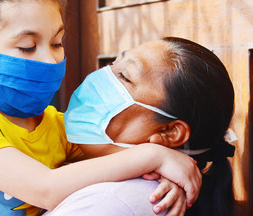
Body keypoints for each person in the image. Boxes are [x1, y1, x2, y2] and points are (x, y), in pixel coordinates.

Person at [0, 0, 201, 215]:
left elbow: (118, 159)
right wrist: (155, 156)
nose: (51, 60)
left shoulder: (58, 126)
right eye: (27, 46)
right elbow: (45, 189)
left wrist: (168, 174)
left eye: (56, 42)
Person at [49, 37, 235, 216]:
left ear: (169, 132)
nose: (102, 75)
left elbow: (44, 188)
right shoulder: (80, 164)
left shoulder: (107, 203)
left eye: (125, 77)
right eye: (114, 63)